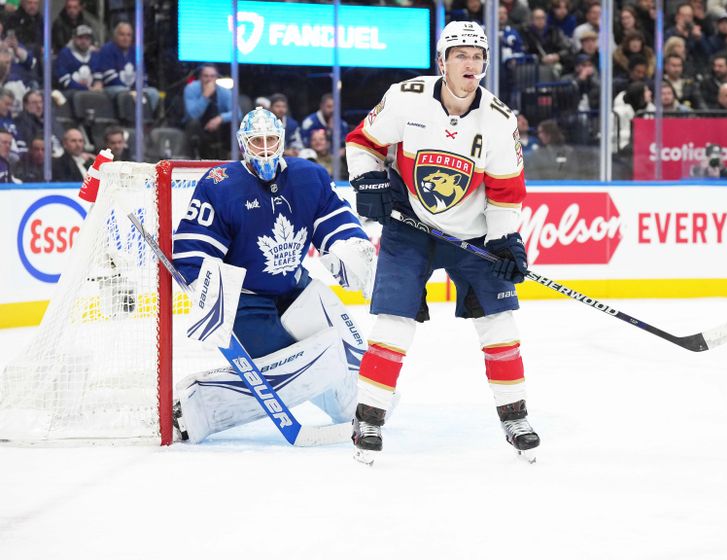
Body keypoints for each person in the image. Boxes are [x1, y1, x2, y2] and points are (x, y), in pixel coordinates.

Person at [344, 21, 540, 463]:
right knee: (394, 322)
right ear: (442, 62)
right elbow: (362, 143)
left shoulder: (499, 121)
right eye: (460, 55)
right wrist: (369, 179)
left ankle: (515, 416)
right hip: (409, 225)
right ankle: (369, 417)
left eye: (477, 56)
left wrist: (505, 240)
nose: (470, 64)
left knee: (500, 324)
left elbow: (506, 192)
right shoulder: (405, 97)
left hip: (471, 232)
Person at [170, 108, 376, 444]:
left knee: (349, 384)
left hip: (295, 288)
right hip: (247, 301)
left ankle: (358, 402)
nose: (264, 148)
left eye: (270, 140)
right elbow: (195, 245)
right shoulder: (220, 184)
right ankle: (197, 404)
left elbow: (334, 220)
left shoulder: (308, 176)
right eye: (257, 141)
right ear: (243, 144)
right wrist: (201, 282)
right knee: (303, 369)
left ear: (282, 140)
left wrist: (349, 245)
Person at [94, 22, 160, 111]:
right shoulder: (107, 49)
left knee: (153, 93)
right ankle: (125, 120)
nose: (125, 38)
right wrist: (130, 91)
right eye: (122, 35)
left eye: (128, 35)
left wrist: (137, 88)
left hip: (133, 89)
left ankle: (145, 119)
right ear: (115, 36)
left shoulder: (136, 52)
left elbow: (142, 74)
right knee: (123, 93)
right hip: (113, 88)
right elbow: (109, 76)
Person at [183, 63, 235, 159]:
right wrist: (205, 96)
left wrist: (220, 119)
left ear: (217, 78)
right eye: (205, 76)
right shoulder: (191, 88)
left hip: (218, 127)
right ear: (200, 77)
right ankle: (192, 159)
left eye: (212, 76)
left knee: (234, 123)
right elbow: (192, 115)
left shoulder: (224, 91)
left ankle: (231, 157)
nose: (209, 79)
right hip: (199, 126)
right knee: (193, 123)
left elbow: (237, 113)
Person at [55, 25, 100, 94]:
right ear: (74, 38)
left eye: (87, 38)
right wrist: (86, 88)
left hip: (91, 91)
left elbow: (97, 74)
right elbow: (63, 79)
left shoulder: (94, 54)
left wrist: (97, 85)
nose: (83, 41)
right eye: (80, 38)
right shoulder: (65, 53)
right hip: (69, 92)